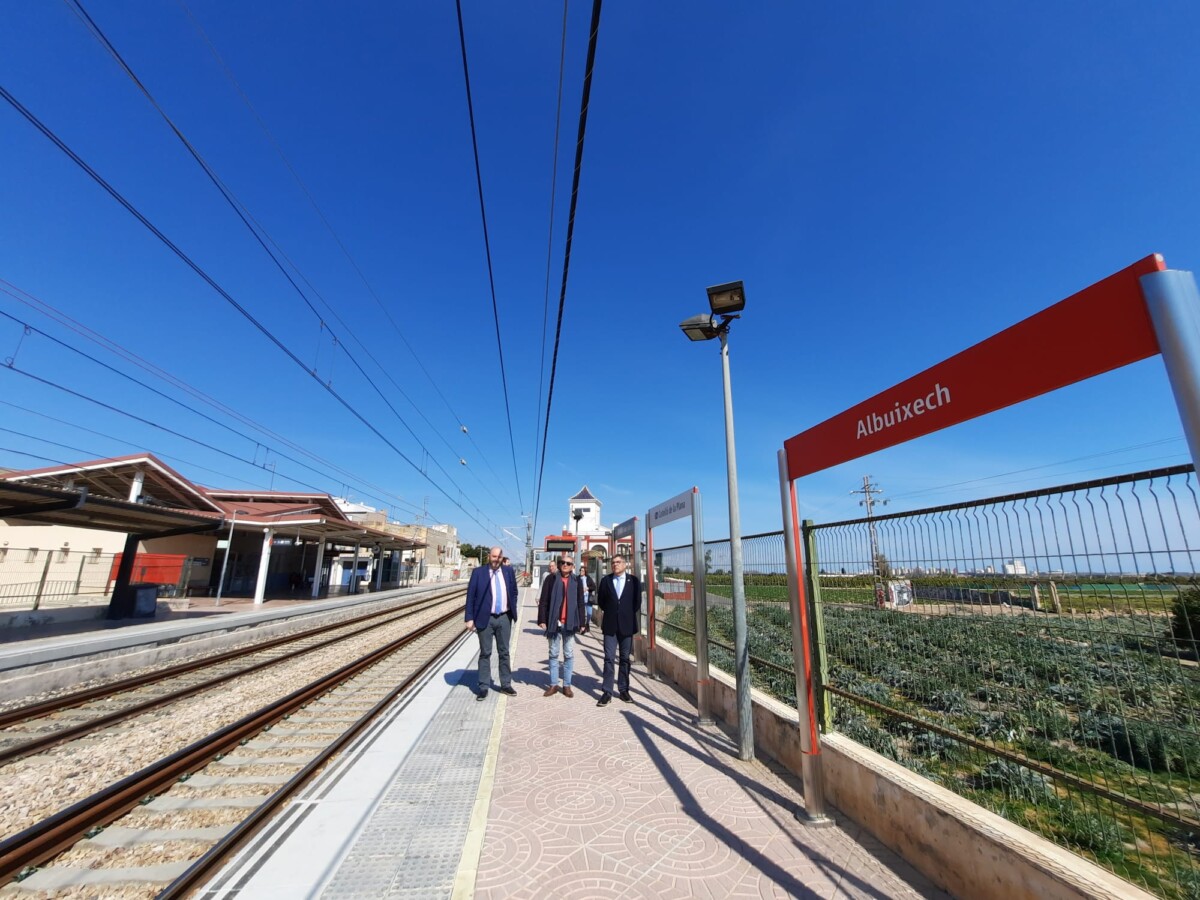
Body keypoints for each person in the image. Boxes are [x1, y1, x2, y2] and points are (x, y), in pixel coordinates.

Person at [465, 546, 519, 701]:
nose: (496, 560)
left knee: (504, 652)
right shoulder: (478, 573)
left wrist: (511, 608)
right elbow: (470, 597)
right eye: (494, 557)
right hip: (485, 618)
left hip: (504, 617)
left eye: (499, 557)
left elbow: (514, 591)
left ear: (502, 558)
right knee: (485, 653)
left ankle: (506, 684)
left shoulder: (508, 572)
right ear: (489, 556)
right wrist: (469, 618)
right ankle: (483, 687)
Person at [537, 555, 586, 697]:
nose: (565, 565)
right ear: (559, 564)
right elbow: (544, 601)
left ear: (572, 566)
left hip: (570, 624)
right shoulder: (551, 579)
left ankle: (567, 685)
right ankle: (553, 684)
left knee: (569, 654)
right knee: (553, 654)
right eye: (562, 562)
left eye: (568, 563)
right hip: (554, 623)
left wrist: (582, 622)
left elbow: (580, 603)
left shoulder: (576, 580)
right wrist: (542, 619)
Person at [596, 554, 640, 706]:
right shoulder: (606, 580)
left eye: (618, 562)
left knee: (625, 659)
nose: (615, 565)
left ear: (625, 564)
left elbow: (636, 603)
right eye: (613, 563)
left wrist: (624, 613)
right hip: (610, 626)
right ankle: (607, 692)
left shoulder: (633, 581)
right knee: (608, 658)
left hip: (627, 626)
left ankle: (623, 690)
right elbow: (601, 601)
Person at [580, 561, 596, 628]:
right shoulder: (577, 578)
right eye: (580, 570)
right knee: (582, 614)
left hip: (588, 599)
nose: (581, 572)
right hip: (581, 599)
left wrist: (588, 588)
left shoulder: (588, 578)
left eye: (583, 571)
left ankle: (587, 623)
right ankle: (582, 626)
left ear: (585, 572)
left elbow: (594, 587)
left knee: (589, 613)